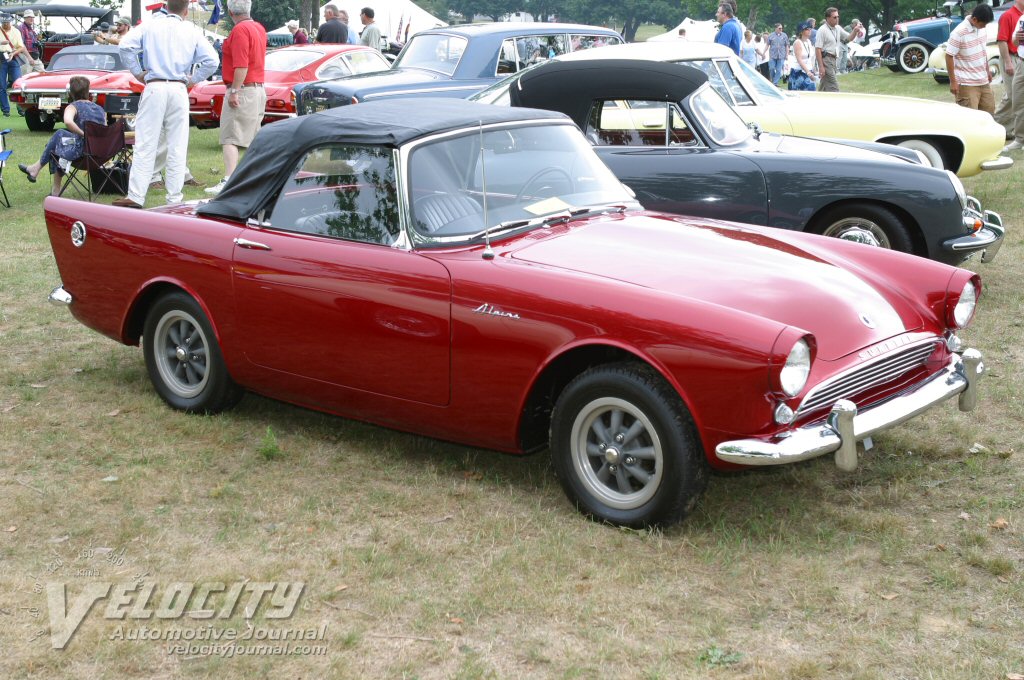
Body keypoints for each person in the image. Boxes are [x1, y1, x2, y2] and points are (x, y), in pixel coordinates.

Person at [114, 0, 218, 208]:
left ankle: (136, 196)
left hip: (155, 85)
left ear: (166, 6)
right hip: (178, 88)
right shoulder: (191, 29)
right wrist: (193, 79)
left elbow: (125, 46)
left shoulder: (151, 24)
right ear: (186, 11)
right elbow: (212, 61)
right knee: (177, 145)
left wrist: (137, 73)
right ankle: (174, 198)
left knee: (145, 143)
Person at [205, 0, 266, 195]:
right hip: (258, 89)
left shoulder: (240, 30)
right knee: (252, 138)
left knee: (230, 137)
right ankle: (253, 179)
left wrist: (234, 91)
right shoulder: (259, 28)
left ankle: (229, 180)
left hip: (244, 89)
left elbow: (241, 65)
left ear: (230, 12)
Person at [18, 76, 106, 195]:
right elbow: (104, 129)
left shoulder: (73, 106)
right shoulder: (100, 109)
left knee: (59, 138)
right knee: (61, 141)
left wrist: (83, 134)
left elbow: (68, 121)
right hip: (99, 153)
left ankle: (40, 174)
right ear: (88, 91)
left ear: (71, 92)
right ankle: (36, 170)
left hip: (82, 152)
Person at [946, 4, 996, 114]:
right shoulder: (958, 33)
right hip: (966, 84)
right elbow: (949, 56)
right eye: (983, 24)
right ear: (974, 19)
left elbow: (982, 52)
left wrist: (987, 71)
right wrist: (953, 82)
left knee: (989, 113)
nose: (985, 27)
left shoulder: (981, 29)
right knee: (971, 118)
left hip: (983, 80)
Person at [993, 0, 1024, 150]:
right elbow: (1002, 41)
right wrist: (1007, 62)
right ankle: (999, 128)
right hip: (1011, 57)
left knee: (1012, 98)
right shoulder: (1008, 15)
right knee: (1013, 97)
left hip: (1018, 58)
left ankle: (1001, 128)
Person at [815, 7, 862, 92]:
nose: (837, 19)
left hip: (834, 59)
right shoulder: (822, 30)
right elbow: (818, 49)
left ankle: (818, 102)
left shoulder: (838, 28)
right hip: (826, 60)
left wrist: (855, 31)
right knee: (834, 88)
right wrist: (821, 67)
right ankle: (836, 104)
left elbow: (848, 39)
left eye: (838, 17)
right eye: (834, 17)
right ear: (828, 18)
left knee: (824, 87)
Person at [1, 13, 27, 117]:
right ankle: (6, 110)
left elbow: (21, 47)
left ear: (10, 22)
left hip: (13, 57)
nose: (5, 25)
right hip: (0, 58)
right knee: (1, 86)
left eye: (7, 22)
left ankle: (21, 109)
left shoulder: (16, 31)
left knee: (18, 84)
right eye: (3, 23)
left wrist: (13, 53)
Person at [789, 21, 818, 91]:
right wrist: (808, 72)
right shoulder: (797, 42)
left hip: (808, 70)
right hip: (799, 72)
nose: (809, 30)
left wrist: (813, 70)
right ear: (801, 32)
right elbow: (799, 60)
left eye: (810, 29)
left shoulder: (808, 41)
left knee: (811, 92)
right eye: (807, 29)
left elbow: (810, 57)